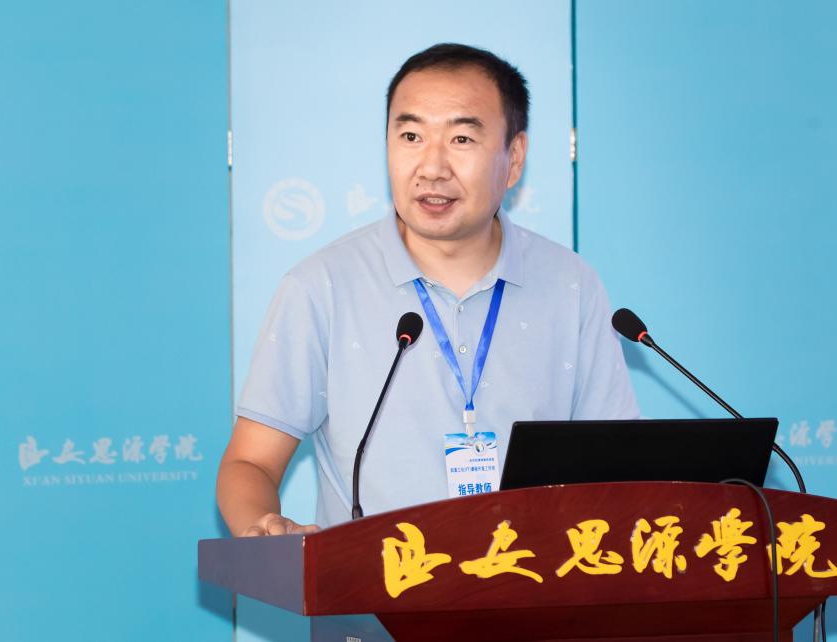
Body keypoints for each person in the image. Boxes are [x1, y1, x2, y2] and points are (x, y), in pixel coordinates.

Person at [216, 43, 639, 537]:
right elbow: (250, 463)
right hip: (374, 584)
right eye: (411, 136)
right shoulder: (322, 286)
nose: (432, 167)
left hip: (531, 580)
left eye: (461, 139)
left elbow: (618, 467)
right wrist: (264, 530)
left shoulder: (570, 284)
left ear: (514, 157)